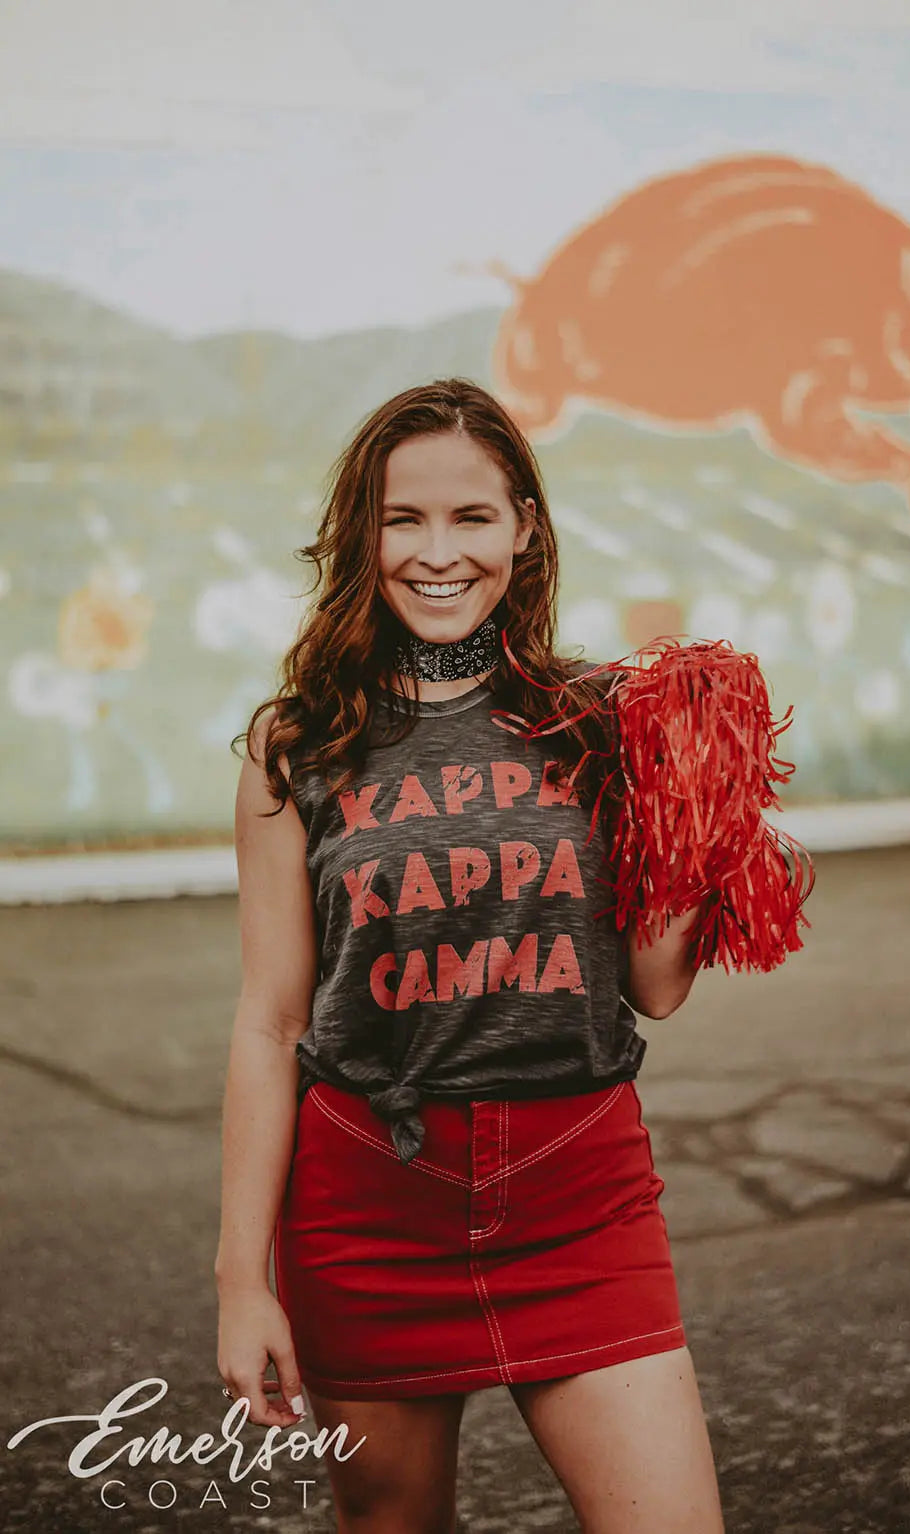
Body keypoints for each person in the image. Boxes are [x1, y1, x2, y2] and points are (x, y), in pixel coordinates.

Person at [215, 377, 726, 1533]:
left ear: (524, 531)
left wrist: (709, 834)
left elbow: (652, 984)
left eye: (471, 518)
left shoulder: (599, 719)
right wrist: (241, 1280)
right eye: (405, 520)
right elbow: (271, 1019)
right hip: (368, 1218)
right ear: (363, 535)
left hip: (579, 1205)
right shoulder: (294, 744)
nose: (437, 552)